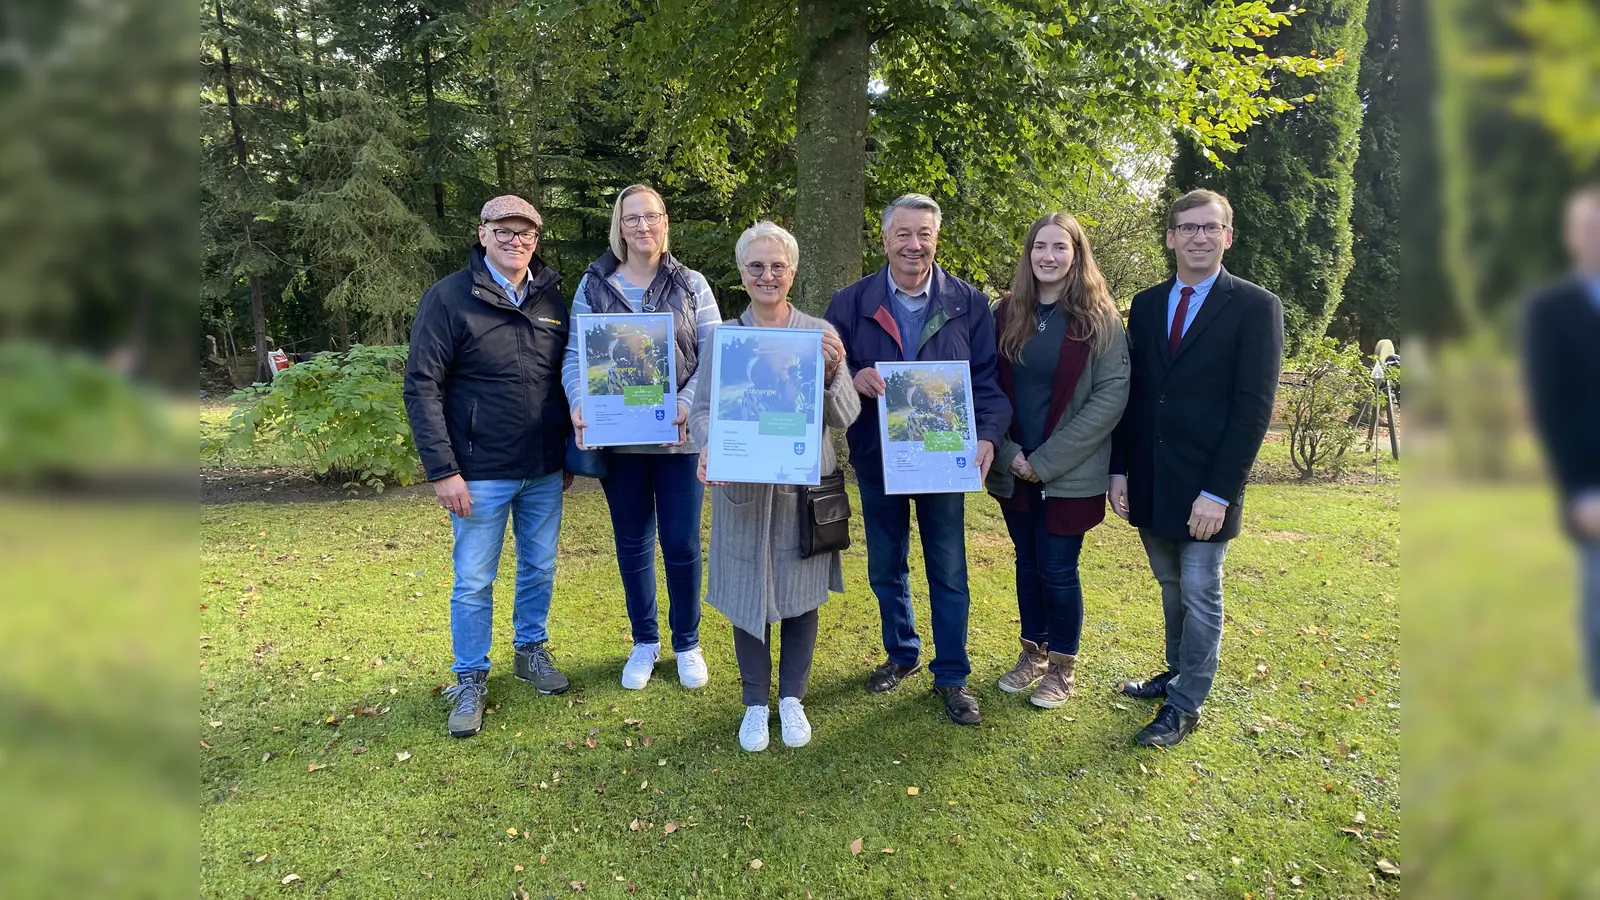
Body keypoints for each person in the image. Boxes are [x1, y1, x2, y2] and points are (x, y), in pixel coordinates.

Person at [825, 193, 1011, 726]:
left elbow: (985, 384)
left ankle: (951, 674)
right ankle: (902, 653)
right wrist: (851, 376)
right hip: (879, 459)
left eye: (924, 234)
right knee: (887, 566)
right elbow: (833, 373)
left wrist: (989, 437)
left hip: (942, 461)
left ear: (936, 238)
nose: (914, 244)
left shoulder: (969, 303)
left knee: (949, 571)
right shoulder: (850, 302)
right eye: (903, 234)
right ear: (884, 240)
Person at [1109, 188, 1284, 747]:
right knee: (1170, 586)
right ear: (1170, 237)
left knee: (1201, 589)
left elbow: (1253, 408)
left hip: (1209, 484)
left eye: (1210, 228)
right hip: (1154, 479)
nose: (1199, 237)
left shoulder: (1256, 307)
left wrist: (1220, 492)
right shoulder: (1146, 303)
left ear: (1227, 236)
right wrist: (1120, 470)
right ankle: (1175, 671)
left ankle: (1185, 706)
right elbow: (1133, 395)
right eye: (1188, 228)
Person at [403, 195, 576, 739]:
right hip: (478, 471)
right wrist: (442, 470)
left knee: (540, 567)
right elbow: (421, 385)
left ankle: (530, 650)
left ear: (535, 239)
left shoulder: (553, 299)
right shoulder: (450, 298)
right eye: (502, 230)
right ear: (482, 235)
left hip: (545, 469)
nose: (514, 240)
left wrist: (568, 449)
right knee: (474, 581)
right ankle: (471, 676)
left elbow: (570, 376)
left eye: (525, 232)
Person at [691, 221, 859, 751]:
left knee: (801, 593)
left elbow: (845, 413)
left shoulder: (819, 333)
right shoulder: (724, 339)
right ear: (742, 274)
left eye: (777, 266)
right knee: (747, 594)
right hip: (743, 488)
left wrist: (833, 372)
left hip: (801, 491)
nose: (767, 275)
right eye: (756, 266)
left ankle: (792, 698)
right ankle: (755, 703)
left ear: (793, 271)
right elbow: (701, 412)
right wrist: (707, 445)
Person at [563, 184, 721, 691]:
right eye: (632, 218)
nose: (642, 227)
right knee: (632, 543)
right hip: (620, 441)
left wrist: (683, 403)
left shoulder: (692, 283)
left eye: (651, 216)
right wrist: (578, 401)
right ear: (619, 226)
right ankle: (644, 641)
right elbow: (575, 357)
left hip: (679, 440)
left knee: (680, 542)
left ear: (665, 221)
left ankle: (687, 642)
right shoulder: (593, 285)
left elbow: (714, 357)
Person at [985, 213, 1130, 708]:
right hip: (1014, 468)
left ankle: (1063, 666)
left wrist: (1044, 462)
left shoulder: (1099, 319)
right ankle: (1033, 653)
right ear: (1028, 255)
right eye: (1039, 247)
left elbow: (1110, 399)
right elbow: (984, 387)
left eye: (1060, 247)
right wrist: (1009, 455)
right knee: (1028, 563)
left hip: (1070, 473)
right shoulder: (1005, 313)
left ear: (1076, 254)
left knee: (1058, 568)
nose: (1048, 256)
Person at [1523, 183, 1600, 704]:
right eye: (1588, 228)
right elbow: (1552, 410)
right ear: (1572, 237)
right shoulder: (1549, 311)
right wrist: (1580, 492)